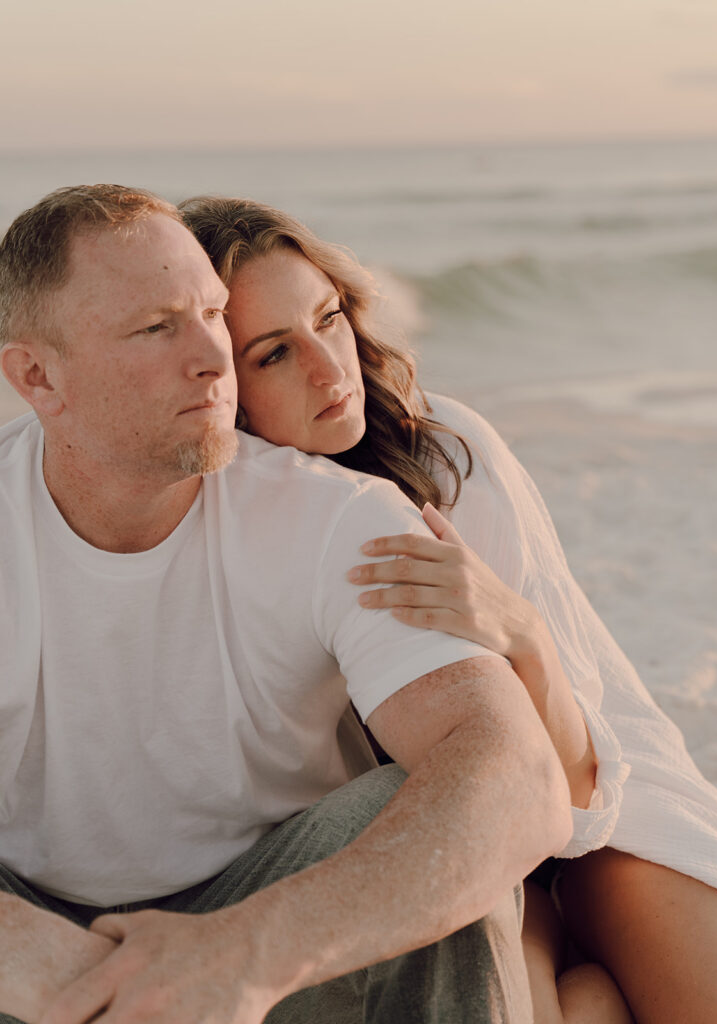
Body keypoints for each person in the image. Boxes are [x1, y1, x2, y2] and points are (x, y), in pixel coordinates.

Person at [0, 184, 575, 1024]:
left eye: (211, 313)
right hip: (29, 927)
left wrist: (240, 957)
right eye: (157, 328)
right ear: (39, 377)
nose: (212, 357)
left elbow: (516, 776)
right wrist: (61, 974)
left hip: (271, 917)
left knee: (426, 833)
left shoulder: (338, 515)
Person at [180, 195, 717, 1024]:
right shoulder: (214, 525)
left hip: (595, 804)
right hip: (434, 838)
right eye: (273, 354)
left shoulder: (440, 449)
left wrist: (521, 634)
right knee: (567, 998)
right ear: (218, 382)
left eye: (328, 319)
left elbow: (581, 791)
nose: (329, 370)